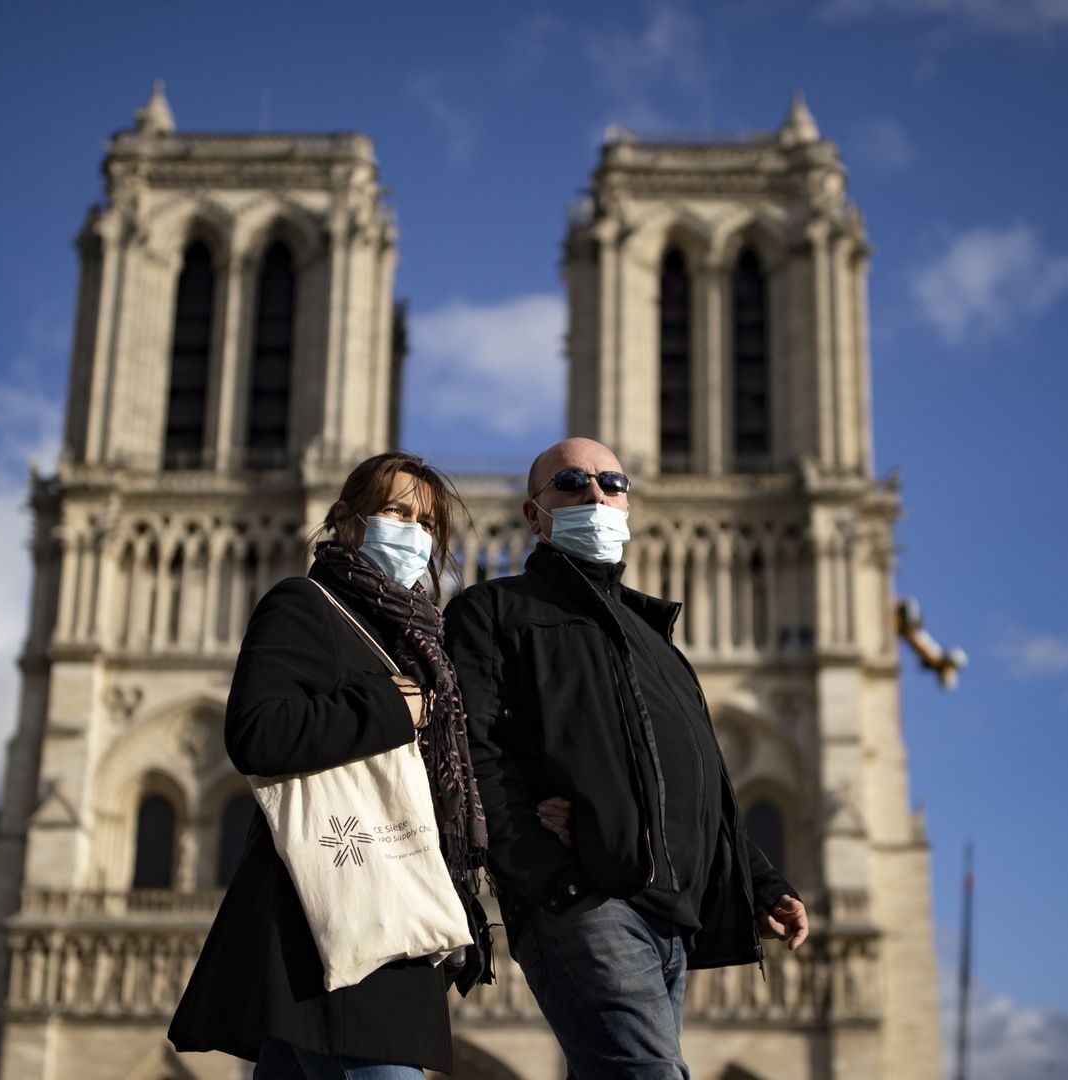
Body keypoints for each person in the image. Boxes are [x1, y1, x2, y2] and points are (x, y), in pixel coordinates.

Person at [443, 437, 809, 1079]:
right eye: (571, 483)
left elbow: (696, 786)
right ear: (533, 515)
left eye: (611, 481)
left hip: (670, 921)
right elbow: (471, 753)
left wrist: (760, 883)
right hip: (586, 903)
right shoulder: (492, 611)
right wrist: (545, 873)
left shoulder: (654, 640)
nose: (595, 494)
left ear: (630, 503)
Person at [168, 451, 490, 1079]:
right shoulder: (305, 604)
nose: (414, 533)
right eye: (397, 512)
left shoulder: (424, 643)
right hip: (338, 911)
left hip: (391, 915)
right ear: (347, 518)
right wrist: (390, 708)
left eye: (428, 523)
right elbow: (258, 734)